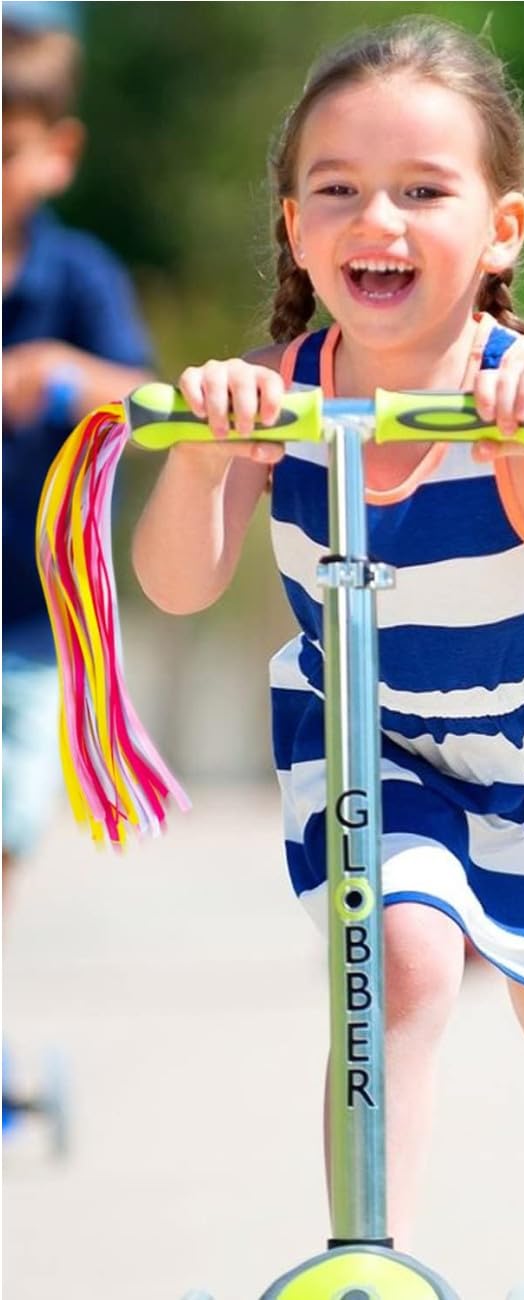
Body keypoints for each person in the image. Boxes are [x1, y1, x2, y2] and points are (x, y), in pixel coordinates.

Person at [130, 19, 524, 1298]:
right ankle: (368, 1263)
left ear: (500, 228)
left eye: (421, 190)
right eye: (337, 189)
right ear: (293, 225)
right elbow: (175, 586)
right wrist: (217, 452)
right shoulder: (275, 396)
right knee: (395, 961)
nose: (374, 217)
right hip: (374, 738)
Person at [2, 12, 154, 887]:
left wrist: (57, 372)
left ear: (57, 152)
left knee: (10, 816)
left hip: (35, 611)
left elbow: (145, 400)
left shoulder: (80, 275)